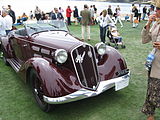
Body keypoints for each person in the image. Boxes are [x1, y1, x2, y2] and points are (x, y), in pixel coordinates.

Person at [141, 1, 160, 120]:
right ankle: (150, 115)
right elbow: (145, 40)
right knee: (152, 90)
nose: (156, 11)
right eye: (156, 8)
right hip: (154, 63)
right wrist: (148, 24)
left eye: (158, 9)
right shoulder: (156, 23)